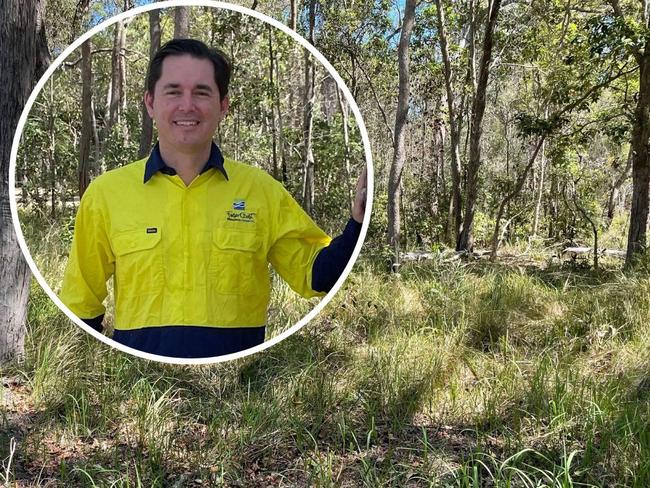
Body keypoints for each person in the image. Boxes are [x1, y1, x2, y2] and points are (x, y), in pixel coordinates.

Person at [60, 39, 366, 358]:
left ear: (223, 106)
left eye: (202, 92)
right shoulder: (107, 195)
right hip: (138, 397)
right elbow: (81, 304)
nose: (187, 105)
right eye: (173, 91)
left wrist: (358, 221)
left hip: (238, 397)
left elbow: (315, 275)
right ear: (150, 103)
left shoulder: (261, 191)